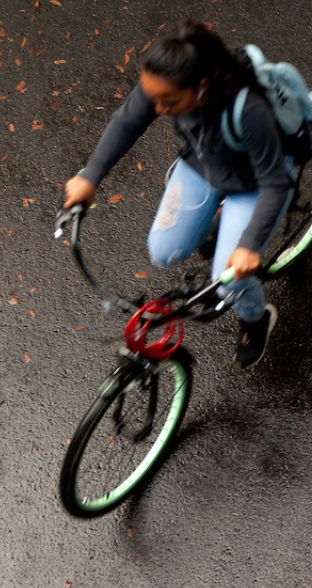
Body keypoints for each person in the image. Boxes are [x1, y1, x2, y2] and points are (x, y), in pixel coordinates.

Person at [63, 20, 293, 368]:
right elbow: (127, 122)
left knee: (227, 283)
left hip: (255, 187)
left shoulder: (248, 110)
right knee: (163, 250)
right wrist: (91, 175)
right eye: (152, 97)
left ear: (201, 87)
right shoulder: (163, 84)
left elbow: (275, 183)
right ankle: (219, 221)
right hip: (203, 167)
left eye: (168, 101)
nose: (157, 108)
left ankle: (256, 318)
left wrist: (248, 246)